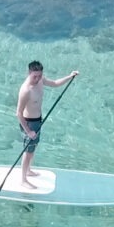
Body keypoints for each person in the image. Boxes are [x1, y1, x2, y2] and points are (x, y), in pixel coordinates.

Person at [16, 61, 78, 189]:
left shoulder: (40, 81)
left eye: (39, 76)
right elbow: (18, 113)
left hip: (38, 120)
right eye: (35, 76)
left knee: (32, 149)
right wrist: (28, 131)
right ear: (29, 73)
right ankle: (23, 180)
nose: (37, 79)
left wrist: (70, 76)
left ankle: (28, 171)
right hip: (29, 123)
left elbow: (55, 83)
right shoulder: (25, 90)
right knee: (27, 152)